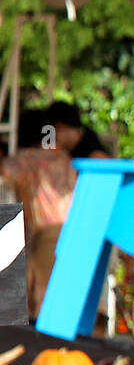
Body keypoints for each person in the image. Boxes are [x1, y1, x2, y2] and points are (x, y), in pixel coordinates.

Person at [0, 107, 77, 319]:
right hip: (72, 228)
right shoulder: (64, 157)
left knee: (42, 299)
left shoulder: (27, 158)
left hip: (47, 233)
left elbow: (6, 171)